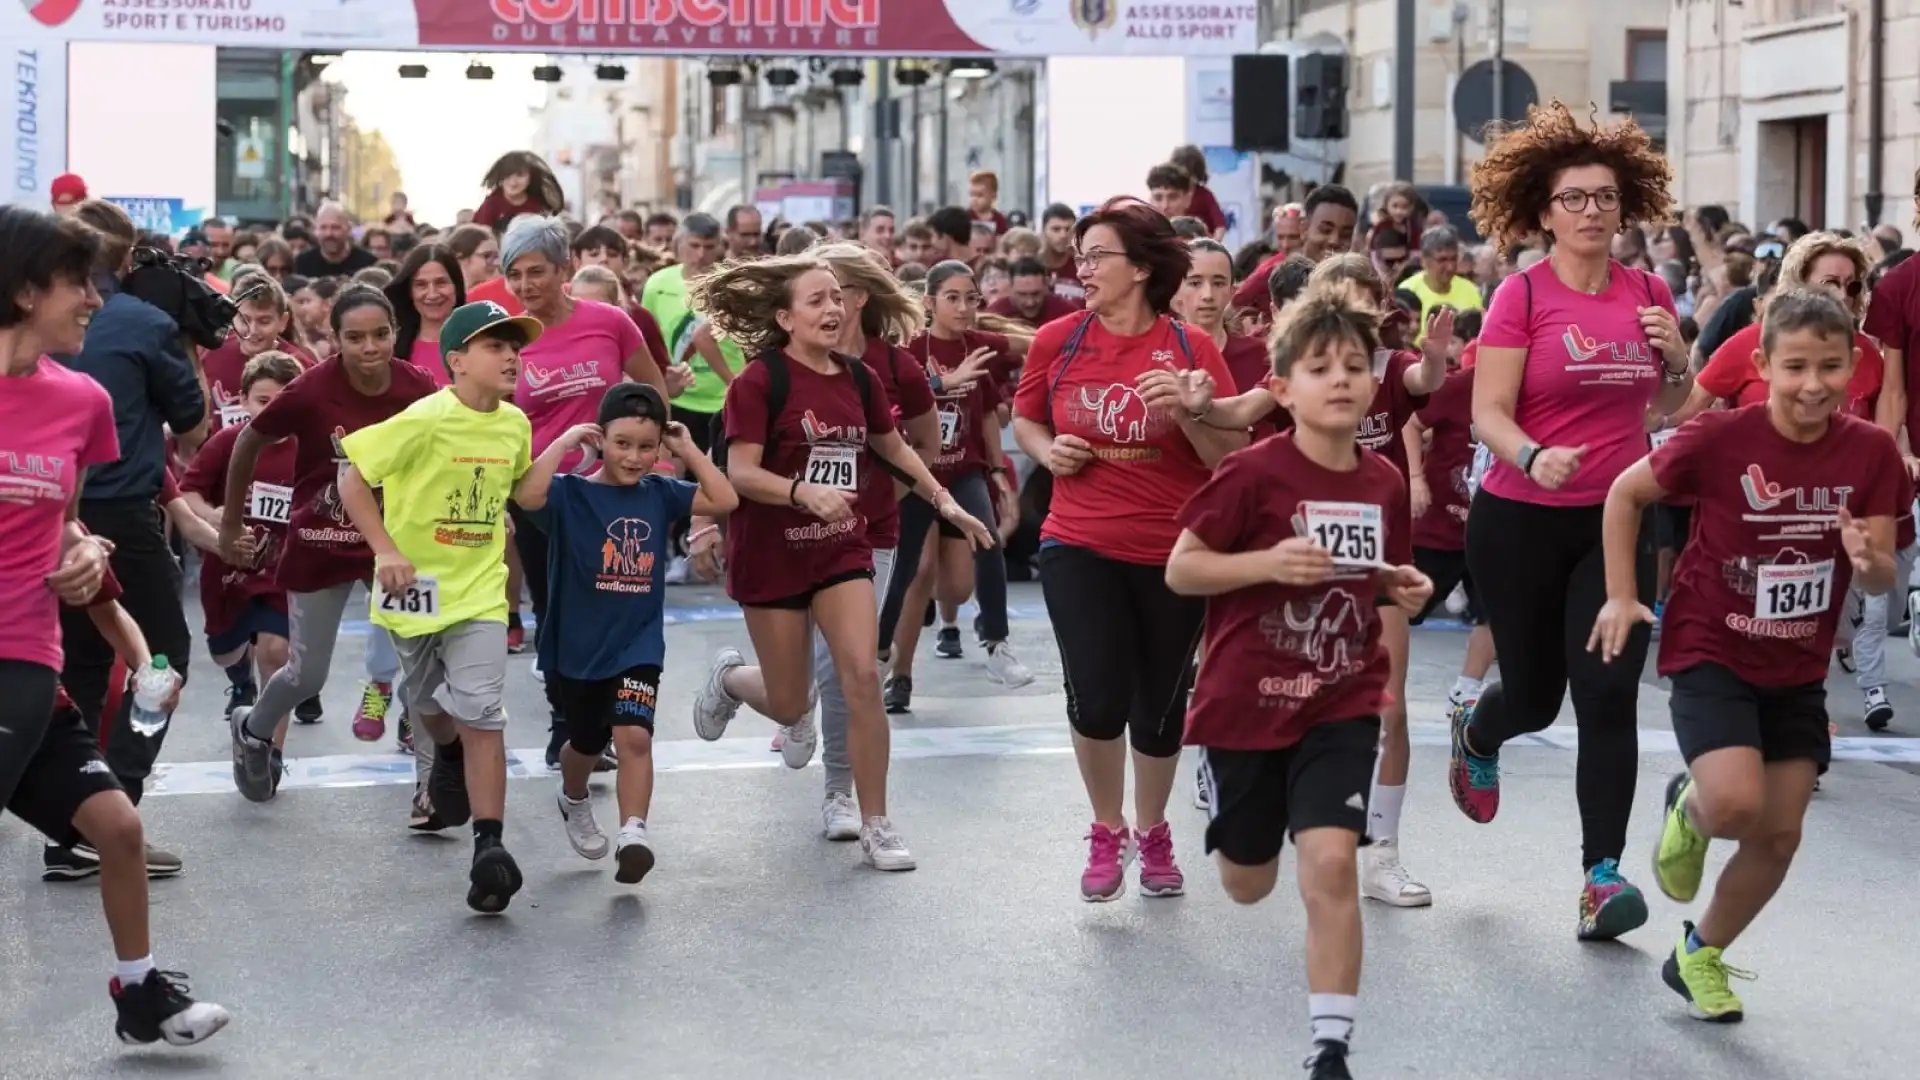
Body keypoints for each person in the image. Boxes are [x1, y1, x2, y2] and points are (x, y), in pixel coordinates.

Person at [1588, 289, 1901, 1022]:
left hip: (1797, 668)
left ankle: (1700, 953)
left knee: (1780, 833)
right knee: (1733, 803)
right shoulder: (1721, 438)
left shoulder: (1871, 451)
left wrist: (1869, 559)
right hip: (1713, 645)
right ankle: (1693, 809)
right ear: (1762, 364)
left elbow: (1882, 571)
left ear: (1855, 368)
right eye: (1795, 367)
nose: (1814, 383)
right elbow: (1624, 495)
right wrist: (1619, 593)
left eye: (1830, 366)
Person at [1167, 280, 1432, 1080]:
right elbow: (1183, 570)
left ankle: (1330, 1048)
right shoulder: (1252, 473)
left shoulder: (1384, 480)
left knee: (1329, 861)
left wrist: (1395, 584)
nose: (1343, 379)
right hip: (1245, 700)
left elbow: (1367, 572)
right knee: (1248, 884)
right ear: (1281, 388)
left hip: (1340, 696)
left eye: (1356, 364)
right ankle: (1224, 792)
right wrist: (1265, 563)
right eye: (1321, 367)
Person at [1451, 100, 1693, 941]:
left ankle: (1601, 876)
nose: (1592, 212)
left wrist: (1680, 361)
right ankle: (1481, 727)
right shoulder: (1521, 295)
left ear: (1625, 206)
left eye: (1604, 198)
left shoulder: (1651, 292)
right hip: (1518, 519)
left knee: (1606, 692)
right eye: (1574, 199)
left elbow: (1668, 409)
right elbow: (1489, 411)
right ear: (1543, 212)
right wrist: (1530, 457)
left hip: (1615, 523)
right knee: (1536, 698)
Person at [686, 253, 995, 872]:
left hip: (842, 547)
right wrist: (801, 491)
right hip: (773, 553)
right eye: (815, 300)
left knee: (859, 679)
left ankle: (877, 822)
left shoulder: (859, 380)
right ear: (785, 317)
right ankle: (729, 681)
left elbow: (896, 448)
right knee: (791, 700)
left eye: (836, 298)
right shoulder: (760, 381)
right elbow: (741, 471)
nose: (831, 309)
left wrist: (943, 502)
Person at [1010, 197, 1247, 902]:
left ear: (1141, 268)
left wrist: (1190, 409)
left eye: (1097, 257)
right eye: (1078, 256)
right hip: (1078, 542)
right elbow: (1026, 420)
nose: (1081, 268)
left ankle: (1153, 829)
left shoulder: (1191, 350)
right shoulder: (1059, 339)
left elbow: (1228, 456)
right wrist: (1051, 452)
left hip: (1176, 551)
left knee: (1160, 709)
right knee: (1097, 693)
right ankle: (1106, 828)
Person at [334, 299, 539, 911]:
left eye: (515, 346)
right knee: (425, 702)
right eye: (495, 346)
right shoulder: (425, 418)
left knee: (481, 710)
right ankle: (444, 752)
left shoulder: (515, 424)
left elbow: (522, 491)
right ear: (457, 361)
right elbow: (350, 474)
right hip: (416, 591)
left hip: (479, 590)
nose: (511, 356)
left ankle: (489, 848)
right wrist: (386, 549)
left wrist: (565, 452)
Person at [220, 286, 439, 810]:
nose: (370, 348)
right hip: (321, 540)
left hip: (391, 547)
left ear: (395, 332)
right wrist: (230, 526)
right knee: (305, 673)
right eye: (355, 338)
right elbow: (249, 441)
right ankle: (253, 729)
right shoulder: (313, 389)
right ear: (335, 341)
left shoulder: (419, 387)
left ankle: (430, 790)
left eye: (381, 334)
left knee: (422, 668)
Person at [517, 383, 737, 883]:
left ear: (660, 445)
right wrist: (565, 442)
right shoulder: (571, 494)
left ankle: (633, 832)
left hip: (637, 643)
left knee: (635, 735)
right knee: (587, 742)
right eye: (621, 443)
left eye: (646, 445)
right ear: (601, 438)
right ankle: (572, 796)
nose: (634, 456)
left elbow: (724, 497)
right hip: (577, 647)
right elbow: (527, 493)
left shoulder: (659, 492)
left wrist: (688, 450)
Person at [52, 198, 206, 880]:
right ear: (124, 258)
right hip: (121, 515)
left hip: (55, 514)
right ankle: (116, 806)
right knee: (164, 657)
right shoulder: (145, 321)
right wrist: (187, 340)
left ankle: (72, 830)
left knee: (82, 667)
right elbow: (194, 418)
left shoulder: (41, 320)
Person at [499, 215, 667, 767]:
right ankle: (565, 723)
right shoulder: (506, 338)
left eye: (537, 272)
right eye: (514, 274)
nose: (525, 286)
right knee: (555, 611)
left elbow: (651, 394)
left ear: (566, 268)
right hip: (543, 495)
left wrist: (652, 460)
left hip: (612, 492)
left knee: (614, 606)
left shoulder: (611, 322)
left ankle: (612, 717)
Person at [0, 205, 115, 808]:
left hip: (21, 651)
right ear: (24, 293)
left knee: (118, 829)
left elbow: (66, 520)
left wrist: (90, 551)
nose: (94, 299)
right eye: (78, 282)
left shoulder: (83, 401)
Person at [180, 351, 302, 743]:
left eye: (284, 401)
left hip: (283, 570)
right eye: (263, 401)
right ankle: (238, 677)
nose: (273, 411)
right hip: (227, 568)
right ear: (243, 400)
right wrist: (218, 517)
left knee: (276, 651)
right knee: (225, 651)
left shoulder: (307, 446)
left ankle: (267, 749)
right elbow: (188, 495)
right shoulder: (227, 442)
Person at [1233, 186, 1359, 315]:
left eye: (1345, 234)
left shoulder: (1358, 281)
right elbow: (1231, 310)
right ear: (1304, 229)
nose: (1335, 240)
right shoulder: (1273, 271)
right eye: (1325, 230)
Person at [387, 242, 468, 388]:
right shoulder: (391, 347)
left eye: (441, 283)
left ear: (457, 287)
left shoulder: (480, 342)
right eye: (421, 285)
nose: (432, 294)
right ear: (410, 292)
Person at [473, 150, 565, 229]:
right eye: (508, 175)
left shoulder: (538, 207)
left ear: (531, 178)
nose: (513, 182)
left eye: (520, 175)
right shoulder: (491, 205)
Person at [292, 202, 379, 279]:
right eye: (323, 227)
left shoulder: (368, 264)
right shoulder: (303, 263)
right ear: (316, 231)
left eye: (335, 227)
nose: (329, 234)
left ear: (348, 229)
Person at [1170, 145, 1229, 239]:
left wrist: (1213, 245)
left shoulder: (1205, 195)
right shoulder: (1169, 196)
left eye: (1191, 173)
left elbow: (1220, 225)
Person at [968, 170, 1012, 235]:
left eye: (980, 195)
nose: (974, 199)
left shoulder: (1000, 220)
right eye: (972, 195)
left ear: (993, 196)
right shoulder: (965, 218)